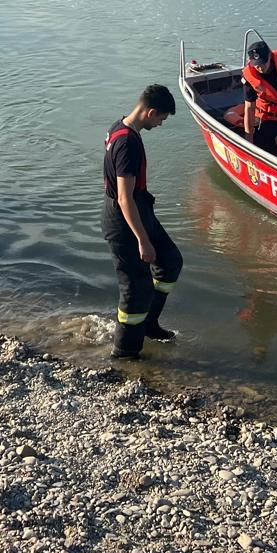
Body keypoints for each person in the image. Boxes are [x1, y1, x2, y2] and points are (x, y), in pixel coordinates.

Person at [102, 84, 184, 360]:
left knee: (170, 260)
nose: (161, 124)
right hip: (125, 220)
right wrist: (143, 240)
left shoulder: (124, 129)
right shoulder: (126, 143)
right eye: (161, 118)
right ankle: (124, 355)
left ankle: (149, 323)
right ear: (150, 112)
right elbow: (124, 198)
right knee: (135, 290)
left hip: (140, 210)